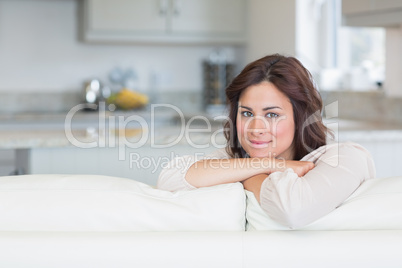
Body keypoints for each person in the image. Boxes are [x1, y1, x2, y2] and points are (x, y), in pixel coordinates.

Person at [157, 54, 376, 229]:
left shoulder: (345, 157)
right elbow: (171, 178)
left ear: (300, 118)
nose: (255, 129)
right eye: (247, 113)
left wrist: (246, 177)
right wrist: (270, 164)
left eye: (272, 115)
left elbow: (292, 210)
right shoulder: (240, 158)